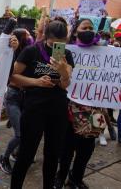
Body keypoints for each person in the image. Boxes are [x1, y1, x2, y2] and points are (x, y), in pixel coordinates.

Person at [10, 20, 74, 189]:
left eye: (61, 43)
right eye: (54, 43)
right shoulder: (31, 51)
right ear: (46, 37)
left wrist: (63, 72)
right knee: (26, 154)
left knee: (53, 155)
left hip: (58, 109)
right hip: (34, 108)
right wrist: (36, 82)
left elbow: (65, 85)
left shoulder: (67, 54)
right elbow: (13, 76)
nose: (57, 47)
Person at [54, 18, 110, 189]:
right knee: (66, 149)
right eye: (84, 27)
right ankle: (60, 177)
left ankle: (76, 178)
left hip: (93, 111)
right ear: (76, 31)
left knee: (86, 151)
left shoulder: (105, 52)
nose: (88, 30)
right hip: (69, 108)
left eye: (91, 28)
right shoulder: (65, 51)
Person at [0, 28, 34, 174]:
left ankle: (16, 153)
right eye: (27, 35)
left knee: (27, 132)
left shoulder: (29, 53)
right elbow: (10, 74)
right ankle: (3, 158)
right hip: (13, 97)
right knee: (20, 134)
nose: (30, 37)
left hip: (25, 96)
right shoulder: (11, 54)